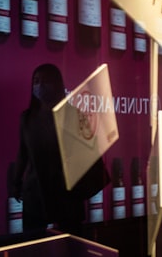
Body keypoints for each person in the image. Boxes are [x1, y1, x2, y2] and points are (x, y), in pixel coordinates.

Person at [11, 63, 104, 237]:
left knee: (69, 251)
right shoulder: (27, 119)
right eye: (36, 81)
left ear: (57, 84)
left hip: (66, 197)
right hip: (35, 197)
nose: (40, 86)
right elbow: (23, 153)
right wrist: (16, 184)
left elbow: (88, 156)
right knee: (34, 249)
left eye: (46, 81)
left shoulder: (75, 115)